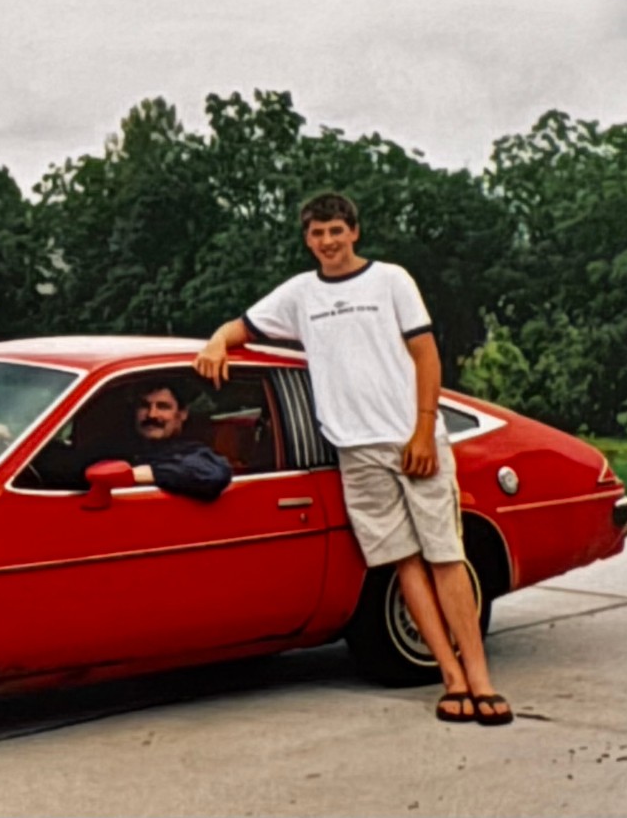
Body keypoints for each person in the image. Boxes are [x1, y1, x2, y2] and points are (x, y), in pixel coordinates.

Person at [193, 192, 513, 725]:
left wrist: (423, 430)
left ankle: (480, 678)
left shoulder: (390, 280)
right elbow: (241, 326)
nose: (327, 242)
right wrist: (215, 343)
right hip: (356, 452)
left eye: (336, 231)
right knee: (403, 562)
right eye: (317, 234)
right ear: (307, 240)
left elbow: (425, 353)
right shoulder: (300, 294)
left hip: (413, 438)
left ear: (354, 232)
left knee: (445, 555)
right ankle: (450, 679)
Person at [113, 381, 233, 502]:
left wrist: (140, 474)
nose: (152, 414)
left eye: (163, 407)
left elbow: (212, 474)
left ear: (182, 414)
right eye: (144, 405)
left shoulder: (189, 451)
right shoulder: (120, 447)